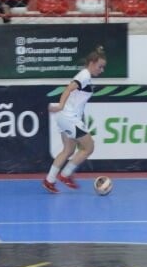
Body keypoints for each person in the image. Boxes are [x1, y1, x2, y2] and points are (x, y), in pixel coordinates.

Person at [44, 46, 107, 193]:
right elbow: (69, 88)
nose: (102, 70)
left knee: (68, 150)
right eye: (100, 66)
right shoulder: (84, 75)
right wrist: (60, 105)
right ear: (92, 63)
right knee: (89, 147)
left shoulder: (86, 76)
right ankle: (65, 175)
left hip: (65, 117)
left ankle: (49, 180)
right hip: (68, 117)